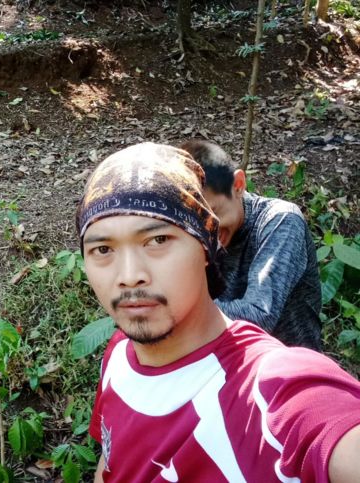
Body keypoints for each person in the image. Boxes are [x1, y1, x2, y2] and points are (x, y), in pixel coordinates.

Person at [76, 142, 360, 482]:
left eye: (158, 240)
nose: (129, 275)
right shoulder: (120, 355)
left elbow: (262, 313)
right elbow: (112, 463)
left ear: (205, 245)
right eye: (102, 249)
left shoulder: (283, 391)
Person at [179, 140, 321, 350]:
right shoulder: (187, 231)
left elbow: (259, 315)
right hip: (218, 357)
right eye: (194, 220)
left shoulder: (281, 220)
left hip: (285, 361)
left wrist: (175, 311)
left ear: (238, 185)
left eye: (212, 215)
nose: (206, 232)